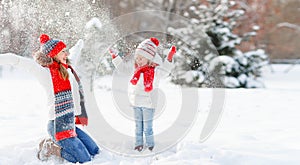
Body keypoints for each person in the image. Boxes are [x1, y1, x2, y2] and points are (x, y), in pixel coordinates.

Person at [0, 34, 99, 163]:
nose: (66, 54)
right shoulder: (44, 73)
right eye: (63, 51)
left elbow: (75, 53)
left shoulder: (66, 68)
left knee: (95, 151)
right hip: (56, 125)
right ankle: (51, 148)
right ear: (54, 54)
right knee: (83, 159)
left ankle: (63, 143)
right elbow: (17, 61)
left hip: (69, 123)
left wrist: (81, 42)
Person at [109, 37, 176, 152]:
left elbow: (165, 71)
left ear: (149, 59)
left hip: (149, 104)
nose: (138, 61)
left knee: (148, 128)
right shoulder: (135, 70)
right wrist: (115, 57)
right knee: (138, 127)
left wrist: (169, 58)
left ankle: (150, 146)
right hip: (136, 103)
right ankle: (138, 145)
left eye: (141, 58)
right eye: (137, 58)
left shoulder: (155, 71)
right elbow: (122, 69)